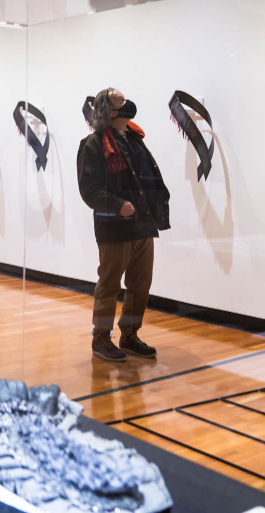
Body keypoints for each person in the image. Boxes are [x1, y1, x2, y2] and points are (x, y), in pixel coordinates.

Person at [77, 88, 171, 361]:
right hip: (114, 228)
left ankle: (130, 335)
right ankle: (101, 339)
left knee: (140, 285)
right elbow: (89, 190)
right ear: (110, 109)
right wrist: (117, 204)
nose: (128, 102)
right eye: (121, 100)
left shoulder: (134, 139)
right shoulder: (93, 145)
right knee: (109, 284)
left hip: (142, 224)